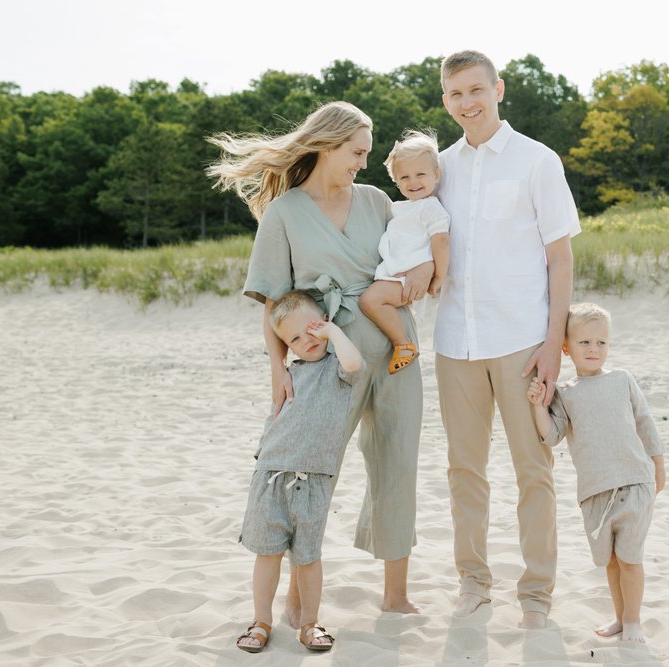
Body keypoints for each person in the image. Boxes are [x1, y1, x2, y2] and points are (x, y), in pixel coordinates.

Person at [207, 101, 427, 628]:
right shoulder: (284, 212)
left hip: (397, 350)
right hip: (323, 363)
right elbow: (273, 303)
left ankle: (394, 594)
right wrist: (278, 371)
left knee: (397, 464)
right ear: (327, 145)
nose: (362, 163)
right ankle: (293, 597)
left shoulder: (377, 201)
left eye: (367, 154)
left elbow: (414, 253)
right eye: (356, 152)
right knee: (304, 470)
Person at [433, 50, 581, 629]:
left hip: (523, 341)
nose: (467, 103)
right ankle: (472, 582)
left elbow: (560, 259)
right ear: (445, 100)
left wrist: (553, 343)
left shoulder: (537, 161)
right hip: (455, 342)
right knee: (464, 470)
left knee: (532, 470)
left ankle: (537, 593)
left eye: (476, 90)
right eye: (454, 94)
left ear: (498, 89)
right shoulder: (438, 167)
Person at [527, 303, 667, 643]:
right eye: (585, 343)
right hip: (595, 492)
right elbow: (552, 435)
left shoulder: (622, 380)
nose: (594, 349)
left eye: (601, 343)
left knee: (630, 559)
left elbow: (645, 423)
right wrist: (538, 406)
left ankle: (633, 621)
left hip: (635, 483)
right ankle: (620, 618)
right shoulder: (566, 394)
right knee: (612, 562)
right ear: (566, 348)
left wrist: (657, 465)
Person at [236, 290, 364, 653]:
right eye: (293, 338)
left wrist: (333, 333)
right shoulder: (289, 374)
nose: (305, 340)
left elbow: (355, 362)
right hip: (271, 475)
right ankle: (261, 621)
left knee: (308, 557)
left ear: (323, 321)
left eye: (310, 329)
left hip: (313, 480)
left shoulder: (337, 368)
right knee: (268, 554)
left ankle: (310, 623)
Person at [359, 129, 450, 375]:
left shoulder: (431, 207)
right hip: (395, 272)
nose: (413, 182)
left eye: (421, 174)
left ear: (436, 174)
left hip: (407, 278)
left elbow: (441, 241)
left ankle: (403, 345)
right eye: (405, 177)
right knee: (371, 301)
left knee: (370, 301)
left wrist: (438, 276)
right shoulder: (400, 208)